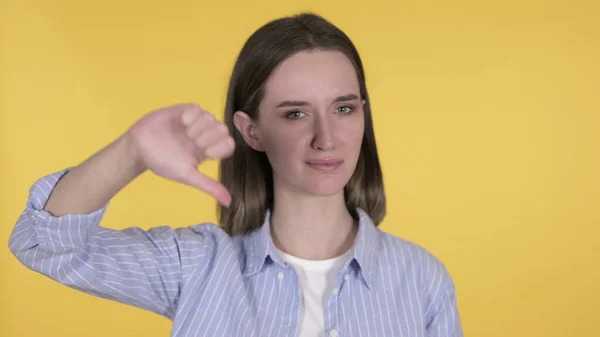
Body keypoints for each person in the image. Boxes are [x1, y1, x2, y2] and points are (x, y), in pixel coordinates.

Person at [8, 12, 463, 337]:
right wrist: (132, 152)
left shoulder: (422, 279)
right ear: (252, 131)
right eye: (295, 113)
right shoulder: (197, 265)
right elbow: (44, 244)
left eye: (343, 108)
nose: (327, 138)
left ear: (363, 115)